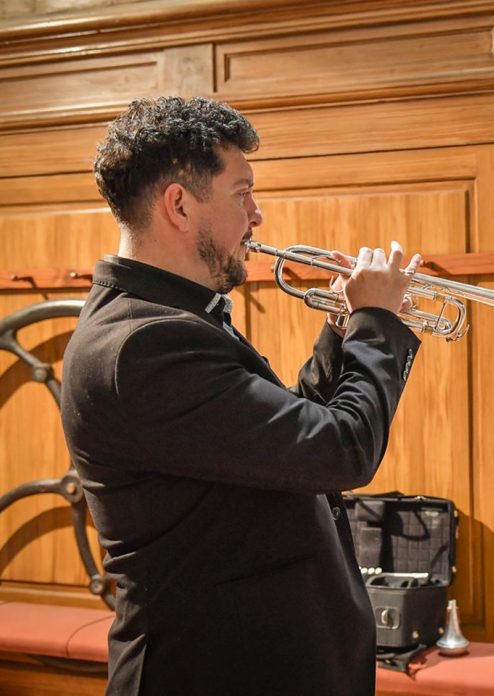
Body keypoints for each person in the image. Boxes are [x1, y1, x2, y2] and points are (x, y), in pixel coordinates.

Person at [60, 96, 421, 695]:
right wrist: (377, 326)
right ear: (179, 205)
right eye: (242, 193)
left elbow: (288, 439)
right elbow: (340, 450)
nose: (257, 216)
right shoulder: (142, 345)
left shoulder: (173, 318)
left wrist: (342, 328)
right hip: (212, 671)